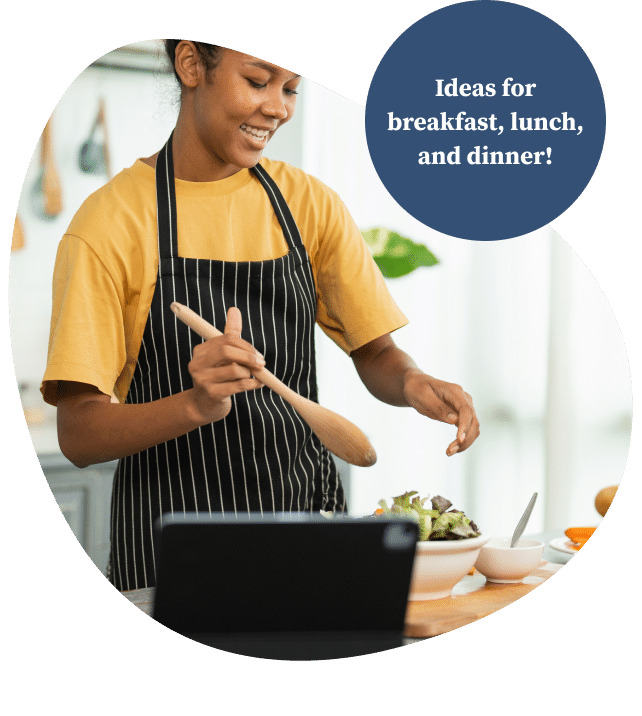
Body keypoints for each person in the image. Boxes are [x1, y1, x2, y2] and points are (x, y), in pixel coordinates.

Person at [42, 41, 480, 592]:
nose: (278, 106)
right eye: (257, 80)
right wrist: (196, 405)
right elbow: (79, 433)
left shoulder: (308, 205)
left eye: (290, 88)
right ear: (191, 66)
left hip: (307, 530)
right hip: (171, 552)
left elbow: (375, 351)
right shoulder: (111, 224)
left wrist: (413, 380)